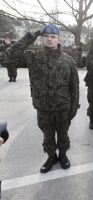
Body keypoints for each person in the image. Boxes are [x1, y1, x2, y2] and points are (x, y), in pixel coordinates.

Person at [0, 24, 80, 173]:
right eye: (46, 36)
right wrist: (29, 37)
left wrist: (74, 106)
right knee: (48, 136)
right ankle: (51, 157)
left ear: (58, 38)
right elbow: (6, 59)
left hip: (63, 107)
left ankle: (63, 155)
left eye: (53, 37)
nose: (49, 39)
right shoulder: (33, 57)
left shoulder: (68, 60)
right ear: (42, 38)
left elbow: (74, 85)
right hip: (43, 107)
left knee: (63, 134)